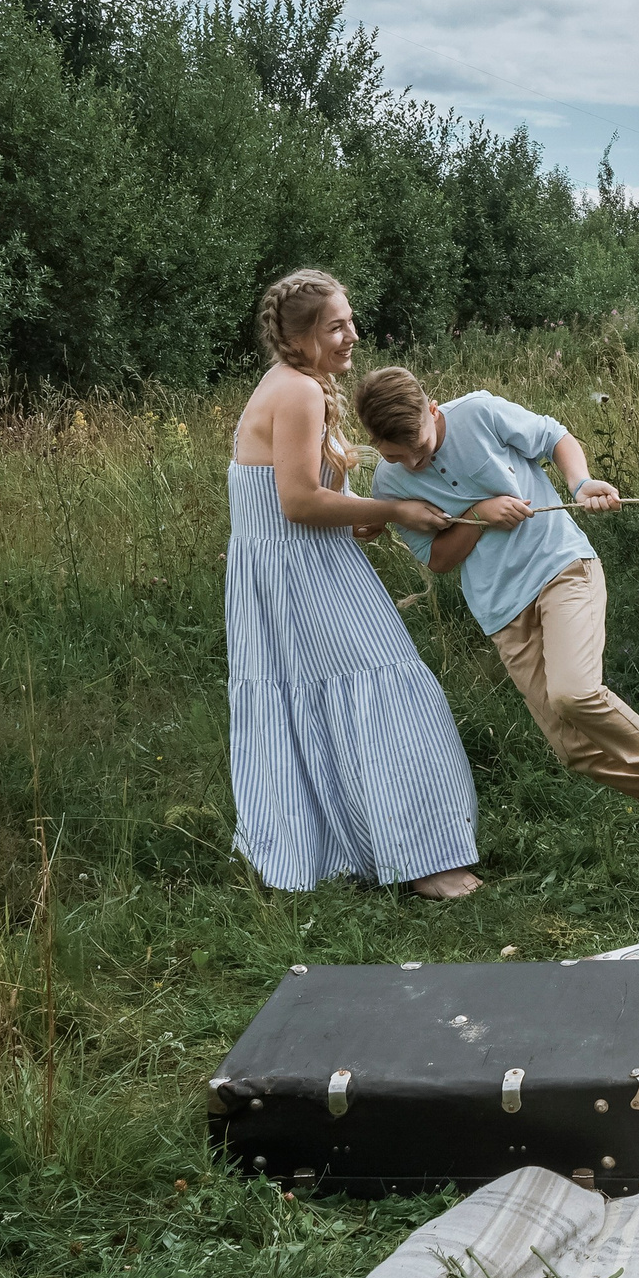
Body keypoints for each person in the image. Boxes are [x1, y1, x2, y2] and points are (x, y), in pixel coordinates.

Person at [353, 365, 639, 846]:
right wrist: (476, 515)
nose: (413, 464)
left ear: (432, 410)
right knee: (573, 749)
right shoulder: (390, 484)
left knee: (574, 694)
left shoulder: (479, 413)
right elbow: (439, 559)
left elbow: (555, 438)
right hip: (500, 609)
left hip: (561, 568)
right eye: (396, 457)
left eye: (421, 449)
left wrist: (580, 483)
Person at [226, 270, 482, 899]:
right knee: (385, 692)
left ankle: (344, 845)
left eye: (349, 320)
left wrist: (356, 514)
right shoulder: (299, 393)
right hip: (298, 569)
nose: (352, 336)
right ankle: (424, 862)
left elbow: (302, 497)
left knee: (317, 701)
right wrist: (391, 511)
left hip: (290, 566)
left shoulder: (295, 382)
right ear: (301, 335)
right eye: (336, 326)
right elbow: (295, 502)